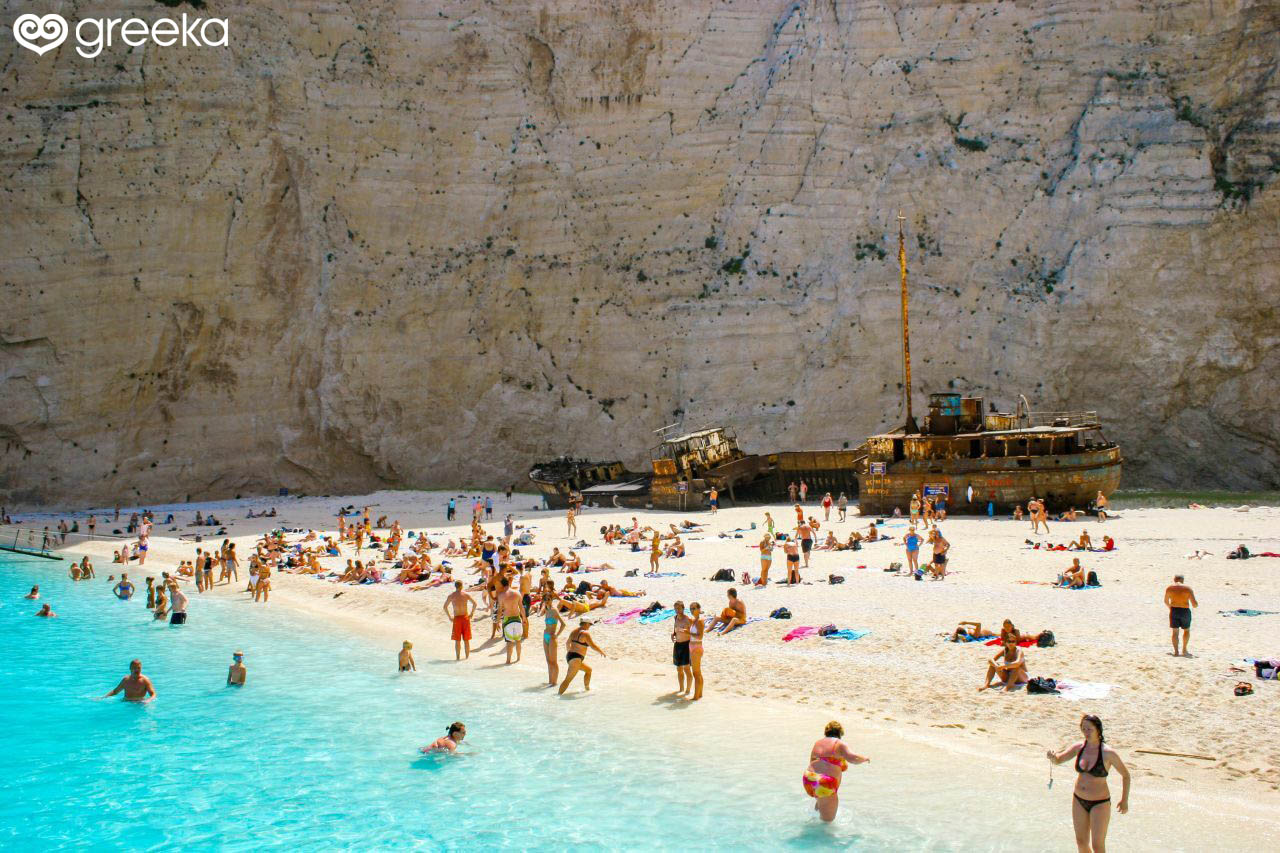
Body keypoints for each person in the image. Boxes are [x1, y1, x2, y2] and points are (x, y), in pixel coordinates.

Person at [1047, 714, 1130, 853]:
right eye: (1083, 729)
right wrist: (1052, 757)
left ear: (1098, 730)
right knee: (1081, 843)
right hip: (1079, 800)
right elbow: (1059, 760)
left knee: (1098, 846)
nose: (1086, 732)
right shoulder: (1079, 747)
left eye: (1089, 729)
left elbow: (1126, 776)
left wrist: (1124, 800)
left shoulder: (1108, 753)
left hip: (1100, 803)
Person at [803, 720, 870, 822]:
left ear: (826, 732)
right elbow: (853, 758)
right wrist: (864, 758)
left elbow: (812, 761)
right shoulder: (839, 744)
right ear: (840, 733)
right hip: (825, 782)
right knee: (827, 823)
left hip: (809, 778)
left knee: (818, 811)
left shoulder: (818, 743)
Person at [558, 619, 607, 695]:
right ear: (586, 623)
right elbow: (593, 645)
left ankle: (587, 689)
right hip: (576, 658)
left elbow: (567, 643)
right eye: (590, 624)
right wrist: (601, 652)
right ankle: (558, 695)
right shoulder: (585, 633)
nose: (590, 626)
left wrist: (569, 655)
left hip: (570, 656)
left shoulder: (573, 631)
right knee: (568, 679)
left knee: (588, 670)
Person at [1164, 575, 1198, 657]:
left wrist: (1170, 608)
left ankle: (1176, 652)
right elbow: (1194, 604)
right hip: (1184, 611)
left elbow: (1165, 601)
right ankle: (1184, 649)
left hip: (1174, 610)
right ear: (1182, 580)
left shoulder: (1169, 588)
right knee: (1186, 630)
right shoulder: (1187, 589)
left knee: (1175, 632)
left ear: (1174, 579)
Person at [443, 580, 476, 660]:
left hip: (457, 618)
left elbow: (445, 607)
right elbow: (475, 604)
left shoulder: (451, 595)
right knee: (466, 640)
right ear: (462, 586)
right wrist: (471, 614)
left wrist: (449, 617)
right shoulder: (466, 594)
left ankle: (457, 658)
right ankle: (467, 658)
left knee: (457, 640)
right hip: (465, 618)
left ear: (455, 586)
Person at [541, 589, 567, 686]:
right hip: (545, 636)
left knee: (553, 661)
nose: (547, 601)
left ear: (552, 599)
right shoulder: (546, 610)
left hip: (552, 637)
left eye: (548, 599)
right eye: (545, 599)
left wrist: (557, 635)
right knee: (548, 661)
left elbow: (563, 624)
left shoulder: (554, 610)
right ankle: (550, 681)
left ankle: (554, 683)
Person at [498, 577, 526, 664]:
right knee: (518, 640)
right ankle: (518, 658)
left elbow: (500, 610)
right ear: (509, 583)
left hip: (507, 620)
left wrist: (498, 621)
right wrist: (524, 618)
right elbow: (521, 607)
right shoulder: (517, 593)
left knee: (509, 642)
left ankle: (508, 660)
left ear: (502, 585)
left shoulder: (501, 595)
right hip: (517, 618)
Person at [672, 601, 693, 695]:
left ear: (683, 608)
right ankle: (681, 689)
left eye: (679, 608)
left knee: (687, 668)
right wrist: (673, 634)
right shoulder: (675, 618)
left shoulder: (687, 619)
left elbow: (691, 633)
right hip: (677, 645)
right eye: (676, 609)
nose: (677, 610)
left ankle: (688, 690)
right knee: (679, 669)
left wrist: (682, 630)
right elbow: (675, 630)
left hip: (686, 645)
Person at [688, 601, 706, 700]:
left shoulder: (699, 621)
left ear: (699, 609)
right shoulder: (694, 620)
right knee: (697, 672)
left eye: (694, 608)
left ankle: (696, 696)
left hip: (696, 647)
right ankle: (700, 694)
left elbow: (700, 636)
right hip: (693, 646)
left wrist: (689, 634)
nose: (692, 610)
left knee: (696, 673)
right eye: (691, 608)